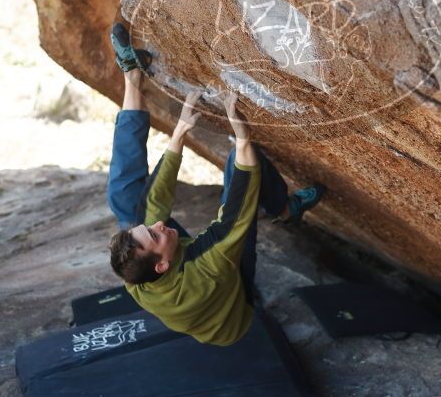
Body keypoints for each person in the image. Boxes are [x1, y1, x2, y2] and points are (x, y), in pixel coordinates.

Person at [106, 23, 325, 346]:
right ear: (163, 264)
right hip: (233, 297)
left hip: (182, 270)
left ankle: (133, 76)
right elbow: (234, 212)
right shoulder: (210, 268)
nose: (157, 225)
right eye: (154, 234)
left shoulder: (135, 272)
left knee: (125, 202)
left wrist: (179, 134)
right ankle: (282, 208)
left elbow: (153, 205)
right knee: (243, 159)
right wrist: (241, 134)